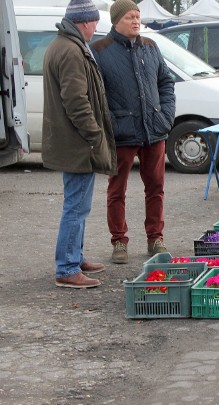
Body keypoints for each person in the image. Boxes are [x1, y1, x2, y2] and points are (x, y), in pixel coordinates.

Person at [91, 0, 176, 264]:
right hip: (122, 134)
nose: (136, 21)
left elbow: (166, 82)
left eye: (138, 16)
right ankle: (119, 241)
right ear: (117, 20)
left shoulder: (150, 47)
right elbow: (97, 94)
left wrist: (165, 117)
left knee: (156, 188)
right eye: (130, 17)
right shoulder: (99, 50)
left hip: (154, 132)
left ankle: (156, 239)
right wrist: (111, 125)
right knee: (117, 190)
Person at [42, 0, 117, 288]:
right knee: (76, 206)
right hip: (77, 143)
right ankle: (68, 268)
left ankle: (75, 256)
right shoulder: (71, 50)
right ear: (84, 22)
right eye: (94, 22)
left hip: (73, 141)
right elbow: (76, 101)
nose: (96, 27)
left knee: (78, 204)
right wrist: (94, 134)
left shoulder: (65, 45)